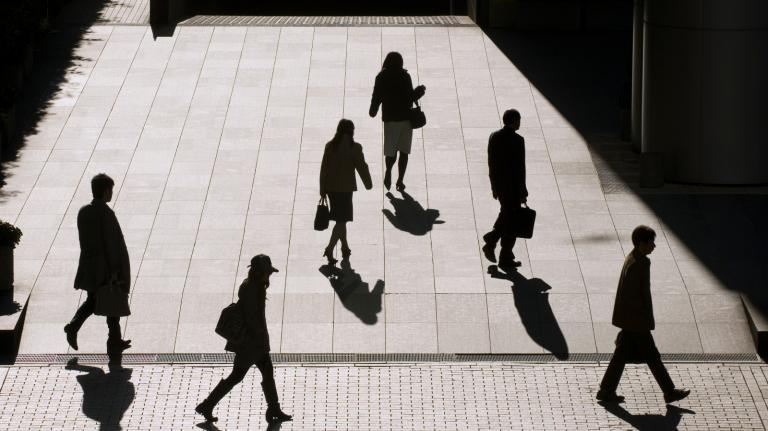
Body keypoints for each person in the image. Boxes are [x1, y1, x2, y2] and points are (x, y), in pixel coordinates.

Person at [596, 225, 690, 404]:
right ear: (641, 244)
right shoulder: (640, 263)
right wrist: (644, 320)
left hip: (630, 320)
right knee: (652, 356)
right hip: (636, 321)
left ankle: (606, 390)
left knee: (623, 355)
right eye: (651, 242)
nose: (653, 246)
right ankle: (669, 391)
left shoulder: (633, 258)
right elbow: (638, 295)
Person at [196, 254, 292, 424]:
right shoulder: (252, 289)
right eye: (267, 272)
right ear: (258, 272)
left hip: (255, 343)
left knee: (266, 372)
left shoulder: (255, 286)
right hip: (251, 344)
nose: (269, 275)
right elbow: (252, 318)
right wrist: (260, 335)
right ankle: (207, 405)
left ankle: (274, 408)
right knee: (237, 376)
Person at [64, 173, 132, 371]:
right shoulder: (106, 214)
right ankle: (76, 327)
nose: (112, 193)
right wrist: (115, 270)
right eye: (110, 190)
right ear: (104, 191)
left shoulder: (84, 212)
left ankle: (114, 340)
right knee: (105, 302)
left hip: (90, 266)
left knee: (98, 300)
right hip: (105, 269)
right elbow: (112, 245)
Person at [369, 51, 426, 192]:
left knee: (391, 150)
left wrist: (373, 110)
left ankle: (388, 170)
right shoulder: (405, 76)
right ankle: (400, 180)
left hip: (390, 119)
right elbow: (409, 97)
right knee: (404, 151)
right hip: (405, 119)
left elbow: (376, 96)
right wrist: (419, 91)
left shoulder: (381, 77)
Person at [319, 119, 372, 264]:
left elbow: (324, 168)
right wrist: (368, 184)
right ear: (352, 131)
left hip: (331, 189)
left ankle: (345, 247)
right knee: (342, 221)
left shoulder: (330, 146)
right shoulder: (354, 147)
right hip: (345, 190)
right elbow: (362, 167)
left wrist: (322, 189)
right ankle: (329, 249)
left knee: (341, 219)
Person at [482, 109, 528, 272]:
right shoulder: (518, 140)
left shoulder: (494, 137)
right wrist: (523, 191)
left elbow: (491, 164)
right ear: (514, 121)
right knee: (512, 221)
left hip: (501, 186)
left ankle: (502, 252)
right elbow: (520, 169)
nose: (520, 122)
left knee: (507, 216)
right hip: (514, 187)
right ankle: (496, 244)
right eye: (519, 119)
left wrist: (494, 186)